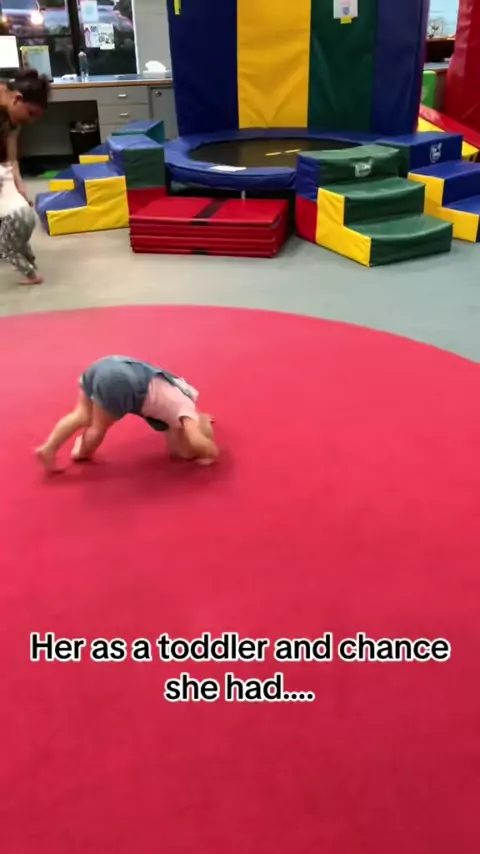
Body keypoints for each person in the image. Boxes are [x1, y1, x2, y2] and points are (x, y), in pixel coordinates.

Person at [36, 356, 219, 473]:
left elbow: (187, 415)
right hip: (119, 383)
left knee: (81, 415)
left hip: (109, 365)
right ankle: (82, 452)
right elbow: (195, 438)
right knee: (98, 428)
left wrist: (200, 421)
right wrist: (210, 453)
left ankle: (49, 448)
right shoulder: (186, 416)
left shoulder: (186, 396)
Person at [0, 69, 51, 203]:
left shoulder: (13, 118)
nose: (30, 121)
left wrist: (19, 188)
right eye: (30, 113)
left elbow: (11, 160)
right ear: (17, 99)